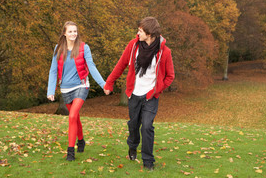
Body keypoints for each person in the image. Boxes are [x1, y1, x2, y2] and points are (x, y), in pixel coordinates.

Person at [104, 17, 175, 171]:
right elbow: (121, 64)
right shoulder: (133, 45)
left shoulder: (164, 52)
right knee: (134, 125)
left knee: (147, 126)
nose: (138, 33)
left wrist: (157, 89)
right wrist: (109, 83)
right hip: (134, 94)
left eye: (141, 31)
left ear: (149, 34)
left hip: (151, 96)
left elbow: (170, 76)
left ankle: (148, 161)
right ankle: (132, 146)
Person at [47, 21, 106, 161]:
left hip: (81, 85)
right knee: (76, 117)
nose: (73, 34)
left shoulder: (84, 48)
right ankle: (81, 140)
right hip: (65, 88)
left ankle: (70, 152)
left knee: (72, 115)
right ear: (64, 33)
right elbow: (53, 70)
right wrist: (51, 90)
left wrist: (103, 84)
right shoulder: (58, 48)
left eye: (75, 31)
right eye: (70, 31)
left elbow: (91, 67)